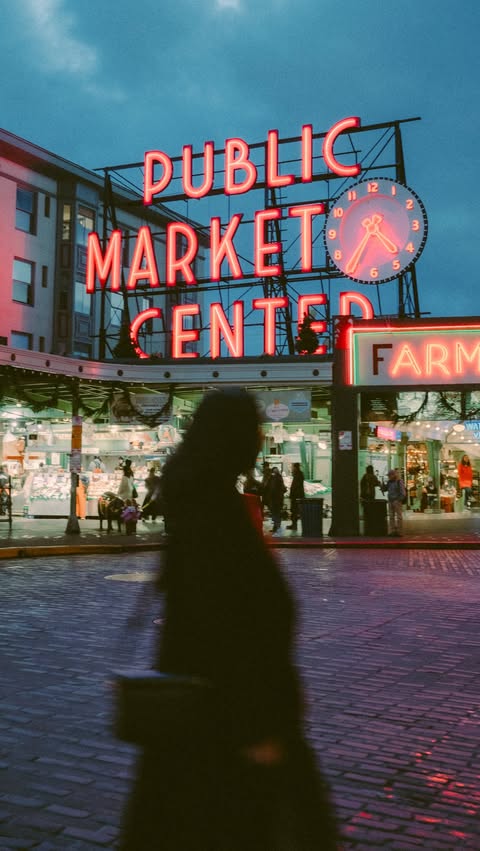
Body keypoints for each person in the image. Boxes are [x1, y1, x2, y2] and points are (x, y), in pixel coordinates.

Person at [119, 388, 337, 850]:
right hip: (229, 721)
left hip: (215, 717)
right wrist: (256, 725)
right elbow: (225, 624)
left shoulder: (203, 499)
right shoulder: (212, 513)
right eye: (253, 428)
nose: (260, 438)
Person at [386, 468, 406, 537]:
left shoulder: (399, 481)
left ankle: (400, 532)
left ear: (393, 475)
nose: (388, 477)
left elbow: (403, 493)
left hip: (396, 501)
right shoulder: (389, 482)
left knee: (399, 516)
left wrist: (399, 500)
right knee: (391, 516)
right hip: (390, 501)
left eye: (389, 475)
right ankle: (392, 531)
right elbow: (386, 489)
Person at [268, 465, 287, 534]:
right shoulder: (279, 478)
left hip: (275, 498)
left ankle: (276, 526)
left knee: (275, 512)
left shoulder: (275, 478)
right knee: (277, 512)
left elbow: (273, 489)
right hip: (278, 498)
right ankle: (277, 525)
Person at [287, 462, 305, 531]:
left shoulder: (298, 474)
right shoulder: (298, 474)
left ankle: (294, 525)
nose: (291, 468)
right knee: (294, 511)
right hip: (296, 496)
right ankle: (294, 524)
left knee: (295, 511)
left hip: (296, 497)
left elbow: (296, 487)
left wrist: (293, 495)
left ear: (295, 467)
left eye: (292, 467)